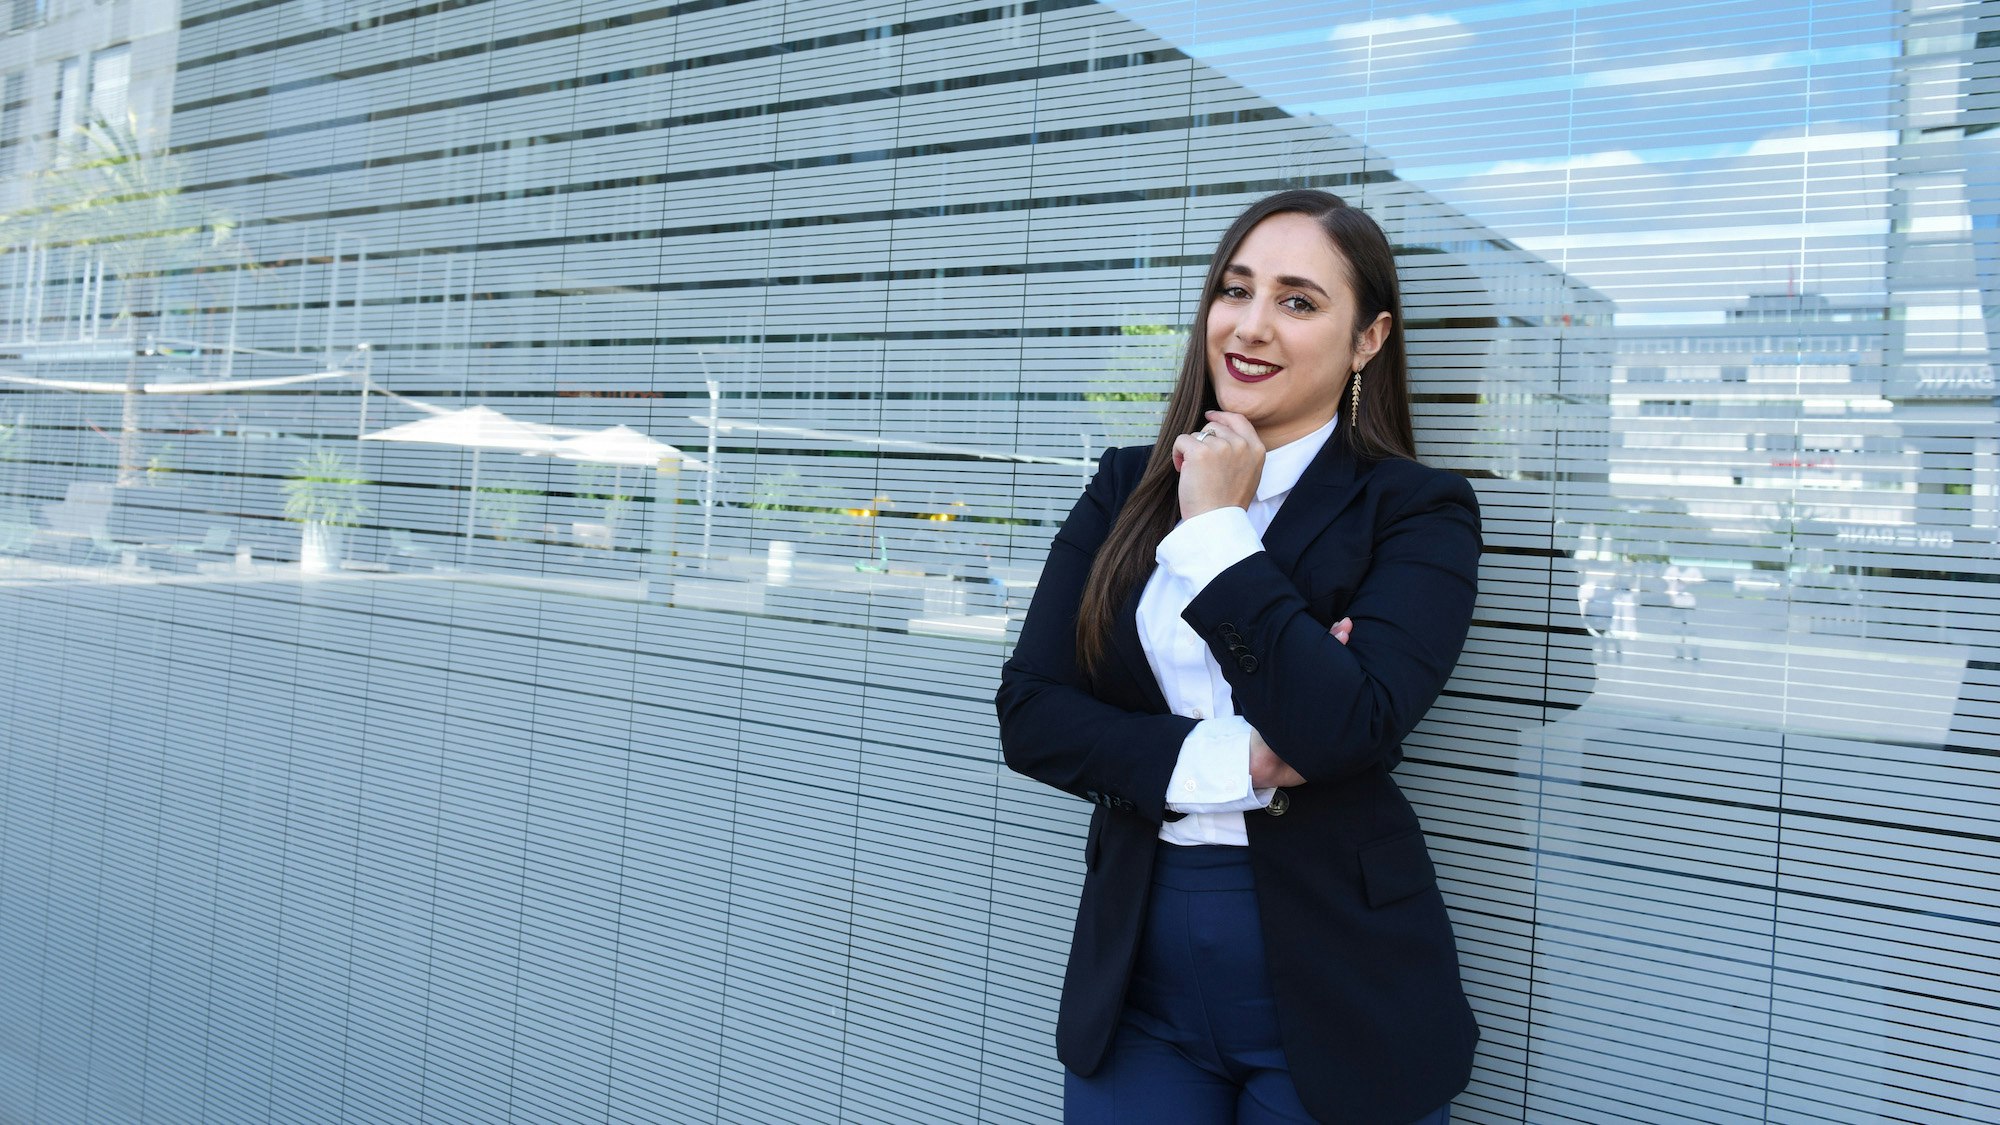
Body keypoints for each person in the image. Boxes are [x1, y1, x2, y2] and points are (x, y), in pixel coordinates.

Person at [995, 189, 1482, 1124]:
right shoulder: (1123, 487)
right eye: (1235, 290)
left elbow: (1346, 725)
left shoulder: (1417, 509)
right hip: (1137, 967)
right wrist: (1240, 757)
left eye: (1299, 302)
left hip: (1338, 982)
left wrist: (1218, 527)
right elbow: (1032, 714)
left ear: (1369, 340)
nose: (1250, 326)